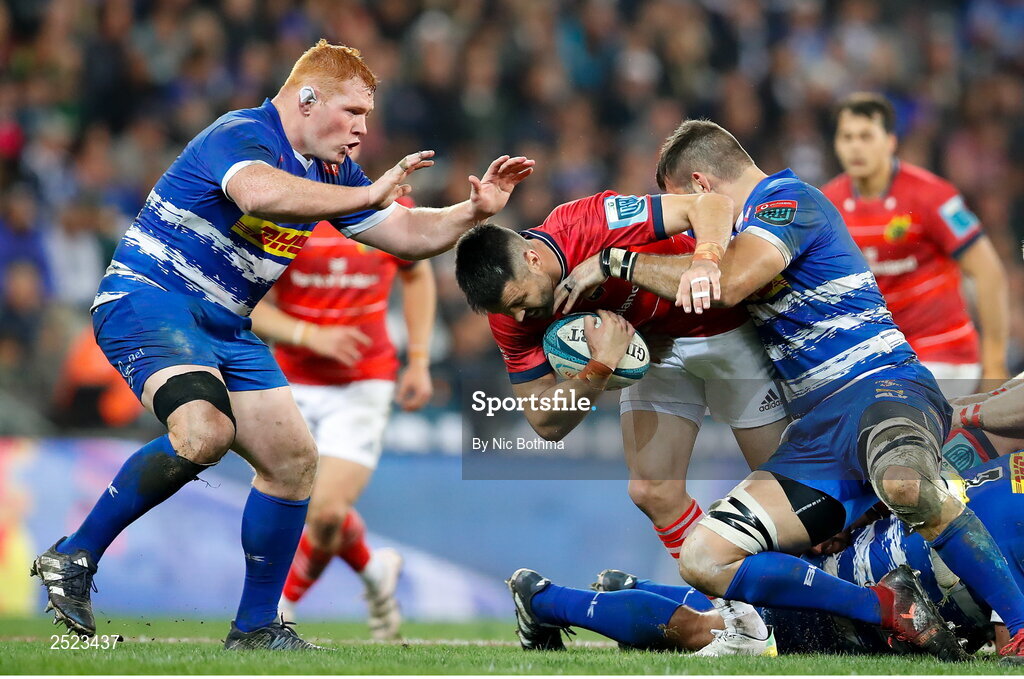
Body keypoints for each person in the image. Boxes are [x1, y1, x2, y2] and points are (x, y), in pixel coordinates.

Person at [31, 40, 533, 650]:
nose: (362, 130)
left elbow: (404, 234)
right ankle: (75, 555)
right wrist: (367, 195)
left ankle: (255, 627)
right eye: (352, 113)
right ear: (307, 97)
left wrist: (472, 211)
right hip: (151, 298)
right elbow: (259, 195)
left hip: (227, 325)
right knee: (204, 433)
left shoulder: (334, 173)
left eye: (367, 117)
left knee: (294, 462)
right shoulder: (241, 134)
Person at [554, 119, 1024, 662]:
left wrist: (617, 261)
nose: (690, 223)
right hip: (819, 435)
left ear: (702, 186)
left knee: (903, 484)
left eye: (682, 204)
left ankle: (1019, 622)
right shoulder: (740, 237)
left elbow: (724, 283)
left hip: (880, 388)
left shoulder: (787, 201)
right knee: (704, 560)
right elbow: (700, 304)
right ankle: (885, 608)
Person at [455, 194, 789, 655]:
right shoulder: (510, 320)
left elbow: (710, 205)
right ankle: (746, 624)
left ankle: (833, 599)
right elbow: (546, 422)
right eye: (506, 311)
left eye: (518, 301)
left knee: (786, 491)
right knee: (653, 490)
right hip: (655, 354)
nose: (518, 317)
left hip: (723, 327)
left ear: (532, 258)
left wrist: (706, 262)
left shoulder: (588, 222)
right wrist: (600, 367)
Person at [509, 380, 1024, 656]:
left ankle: (629, 588)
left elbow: (964, 444)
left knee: (746, 610)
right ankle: (547, 599)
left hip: (875, 545)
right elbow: (1010, 642)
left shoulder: (1011, 466)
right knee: (706, 631)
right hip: (898, 592)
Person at [249, 198, 436, 640]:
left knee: (327, 510)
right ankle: (375, 573)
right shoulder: (283, 217)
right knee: (313, 510)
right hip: (288, 385)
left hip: (363, 384)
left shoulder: (386, 216)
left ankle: (279, 611)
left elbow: (417, 272)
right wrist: (311, 335)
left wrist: (421, 359)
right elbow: (246, 304)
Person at [822, 93, 1009, 397]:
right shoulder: (827, 204)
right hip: (874, 357)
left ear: (890, 142)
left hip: (943, 353)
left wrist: (995, 365)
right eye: (847, 137)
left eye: (866, 136)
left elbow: (989, 273)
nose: (855, 146)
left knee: (900, 412)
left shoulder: (933, 196)